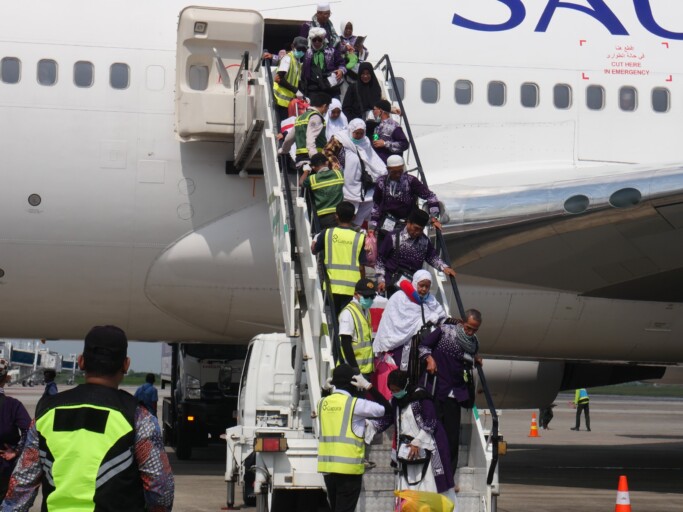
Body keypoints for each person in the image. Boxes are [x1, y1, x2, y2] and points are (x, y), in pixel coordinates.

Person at [2, 325, 174, 511]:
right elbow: (160, 488)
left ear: (81, 362)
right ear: (126, 365)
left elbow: (21, 486)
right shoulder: (139, 417)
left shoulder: (46, 412)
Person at [369, 370, 456, 504]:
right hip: (408, 452)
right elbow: (388, 419)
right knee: (409, 487)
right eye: (391, 390)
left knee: (430, 485)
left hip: (427, 447)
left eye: (397, 389)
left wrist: (417, 442)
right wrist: (370, 425)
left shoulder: (421, 397)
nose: (395, 393)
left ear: (405, 385)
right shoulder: (396, 401)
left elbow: (431, 421)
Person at [317, 364, 391, 512]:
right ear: (353, 383)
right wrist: (368, 386)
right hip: (348, 470)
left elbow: (328, 402)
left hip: (328, 469)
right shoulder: (355, 404)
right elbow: (387, 409)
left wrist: (325, 390)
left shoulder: (322, 403)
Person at [419, 310, 483, 474]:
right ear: (462, 322)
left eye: (474, 330)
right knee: (432, 433)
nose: (470, 332)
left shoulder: (473, 342)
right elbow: (424, 345)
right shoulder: (445, 331)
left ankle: (448, 475)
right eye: (468, 328)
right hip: (438, 389)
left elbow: (469, 356)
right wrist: (430, 358)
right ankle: (429, 473)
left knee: (452, 438)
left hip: (456, 394)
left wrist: (475, 358)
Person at [374, 270, 447, 372]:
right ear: (415, 283)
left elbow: (442, 317)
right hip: (397, 347)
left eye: (427, 286)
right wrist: (430, 318)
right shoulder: (399, 297)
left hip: (417, 348)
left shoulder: (431, 300)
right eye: (421, 285)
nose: (424, 289)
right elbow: (390, 321)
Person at [375, 209, 456, 295]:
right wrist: (381, 280)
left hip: (411, 286)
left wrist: (444, 267)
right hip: (389, 283)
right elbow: (380, 260)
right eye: (416, 228)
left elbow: (432, 257)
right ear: (408, 223)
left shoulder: (424, 242)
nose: (417, 232)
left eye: (421, 230)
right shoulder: (394, 236)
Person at [324, 118, 387, 227]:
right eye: (356, 133)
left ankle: (356, 225)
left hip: (363, 183)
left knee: (369, 202)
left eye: (361, 133)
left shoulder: (365, 141)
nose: (358, 136)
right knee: (347, 206)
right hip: (347, 181)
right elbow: (327, 151)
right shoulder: (340, 138)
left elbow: (371, 158)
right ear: (350, 130)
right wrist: (334, 164)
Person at [369, 155, 442, 241]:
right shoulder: (381, 182)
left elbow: (431, 196)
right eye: (394, 172)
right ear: (388, 169)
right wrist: (372, 226)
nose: (397, 174)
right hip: (388, 224)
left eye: (400, 171)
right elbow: (376, 205)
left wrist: (434, 217)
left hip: (408, 225)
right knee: (385, 251)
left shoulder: (410, 181)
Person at [312, 201, 368, 313]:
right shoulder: (359, 238)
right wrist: (362, 286)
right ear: (354, 217)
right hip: (352, 288)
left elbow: (314, 250)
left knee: (334, 318)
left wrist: (314, 240)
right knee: (346, 319)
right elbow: (361, 267)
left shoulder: (327, 233)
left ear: (336, 216)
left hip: (331, 286)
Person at [0, 359, 31, 502]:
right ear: (7, 378)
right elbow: (30, 432)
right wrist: (17, 451)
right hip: (4, 468)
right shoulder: (13, 406)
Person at [280, 92, 331, 169]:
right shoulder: (316, 117)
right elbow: (310, 140)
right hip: (312, 159)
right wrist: (316, 160)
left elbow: (289, 139)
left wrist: (283, 150)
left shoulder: (300, 118)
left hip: (300, 160)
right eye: (328, 107)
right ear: (324, 106)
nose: (327, 110)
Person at [338, 278, 377, 377]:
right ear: (356, 294)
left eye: (372, 296)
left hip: (365, 370)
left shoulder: (366, 311)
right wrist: (354, 368)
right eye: (367, 296)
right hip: (352, 371)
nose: (370, 299)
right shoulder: (348, 313)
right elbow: (345, 342)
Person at [300, 153, 345, 230]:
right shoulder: (339, 173)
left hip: (324, 216)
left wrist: (306, 171)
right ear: (327, 163)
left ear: (313, 167)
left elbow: (301, 183)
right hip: (340, 214)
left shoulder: (312, 179)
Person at [301, 27, 345, 97]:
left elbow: (341, 64)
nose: (317, 42)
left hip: (330, 87)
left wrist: (341, 70)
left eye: (319, 40)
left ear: (323, 40)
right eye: (314, 40)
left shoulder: (332, 51)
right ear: (311, 40)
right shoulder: (306, 53)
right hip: (313, 89)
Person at [272, 36, 308, 122]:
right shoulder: (288, 58)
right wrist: (295, 90)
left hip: (288, 101)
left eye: (304, 50)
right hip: (280, 100)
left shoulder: (297, 61)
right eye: (299, 49)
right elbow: (278, 78)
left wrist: (303, 96)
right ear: (293, 46)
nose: (301, 52)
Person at [342, 62, 381, 126]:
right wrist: (355, 121)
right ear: (359, 74)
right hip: (357, 126)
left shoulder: (376, 87)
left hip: (374, 125)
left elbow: (380, 106)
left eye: (368, 73)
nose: (365, 76)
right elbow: (346, 108)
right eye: (363, 73)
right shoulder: (353, 87)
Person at [371, 99, 409, 164]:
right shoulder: (377, 126)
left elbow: (404, 144)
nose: (373, 112)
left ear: (381, 111)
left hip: (390, 165)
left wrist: (385, 144)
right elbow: (376, 140)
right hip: (378, 164)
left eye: (375, 109)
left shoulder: (394, 126)